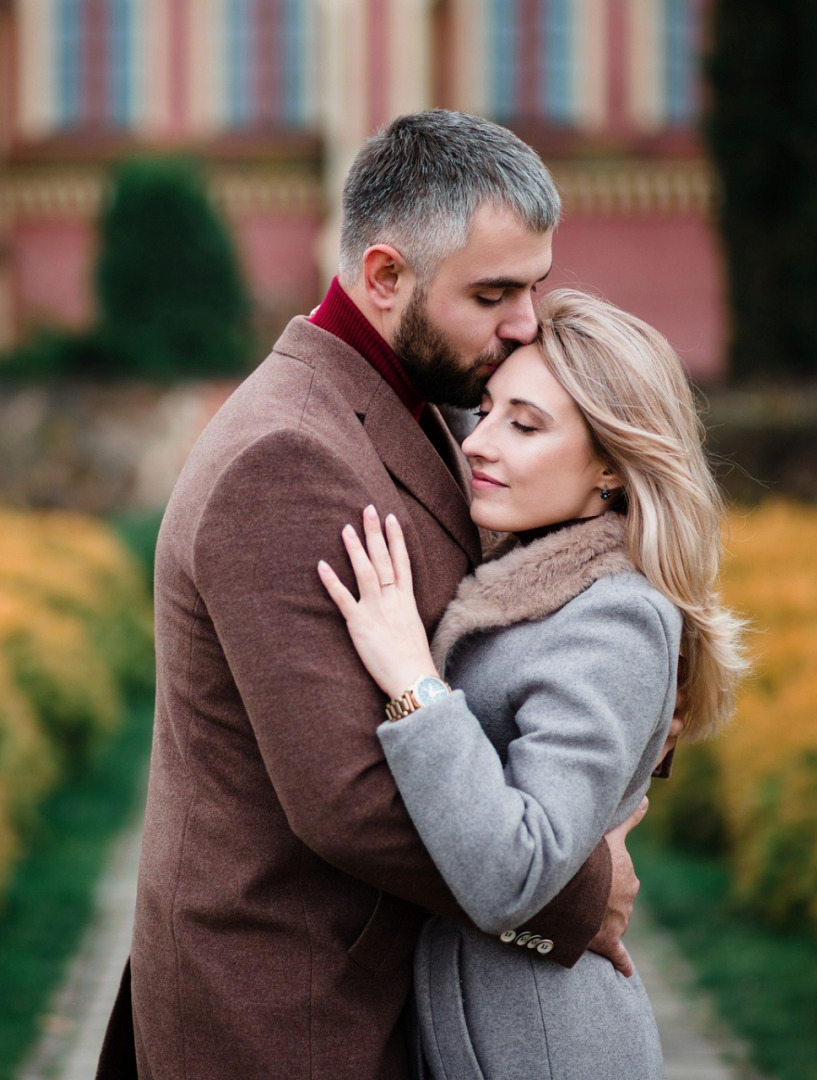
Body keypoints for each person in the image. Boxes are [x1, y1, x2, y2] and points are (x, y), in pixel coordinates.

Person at [96, 111, 645, 1080]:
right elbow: (346, 801)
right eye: (493, 293)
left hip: (369, 988)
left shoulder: (429, 399)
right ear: (386, 278)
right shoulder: (287, 456)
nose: (526, 323)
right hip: (292, 1013)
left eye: (534, 287)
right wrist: (569, 894)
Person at [318, 289, 748, 1079]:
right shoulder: (527, 576)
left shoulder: (616, 618)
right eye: (483, 411)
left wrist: (412, 678)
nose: (479, 442)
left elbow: (517, 870)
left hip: (552, 1051)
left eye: (525, 424)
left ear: (613, 468)